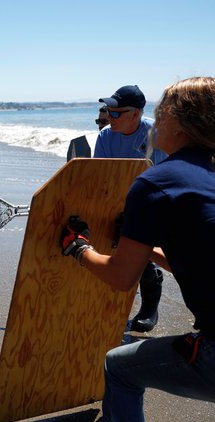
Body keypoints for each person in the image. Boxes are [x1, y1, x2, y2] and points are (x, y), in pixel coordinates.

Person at [61, 77, 215, 422]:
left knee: (119, 366)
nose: (157, 121)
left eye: (162, 113)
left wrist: (78, 248)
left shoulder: (154, 182)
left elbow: (120, 277)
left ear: (178, 122)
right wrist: (148, 249)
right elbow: (196, 260)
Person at [94, 85, 166, 332]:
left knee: (134, 237)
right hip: (118, 201)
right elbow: (100, 179)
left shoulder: (158, 135)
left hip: (153, 204)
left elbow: (168, 180)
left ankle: (150, 300)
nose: (109, 117)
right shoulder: (105, 137)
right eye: (108, 111)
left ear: (136, 114)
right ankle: (104, 302)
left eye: (116, 113)